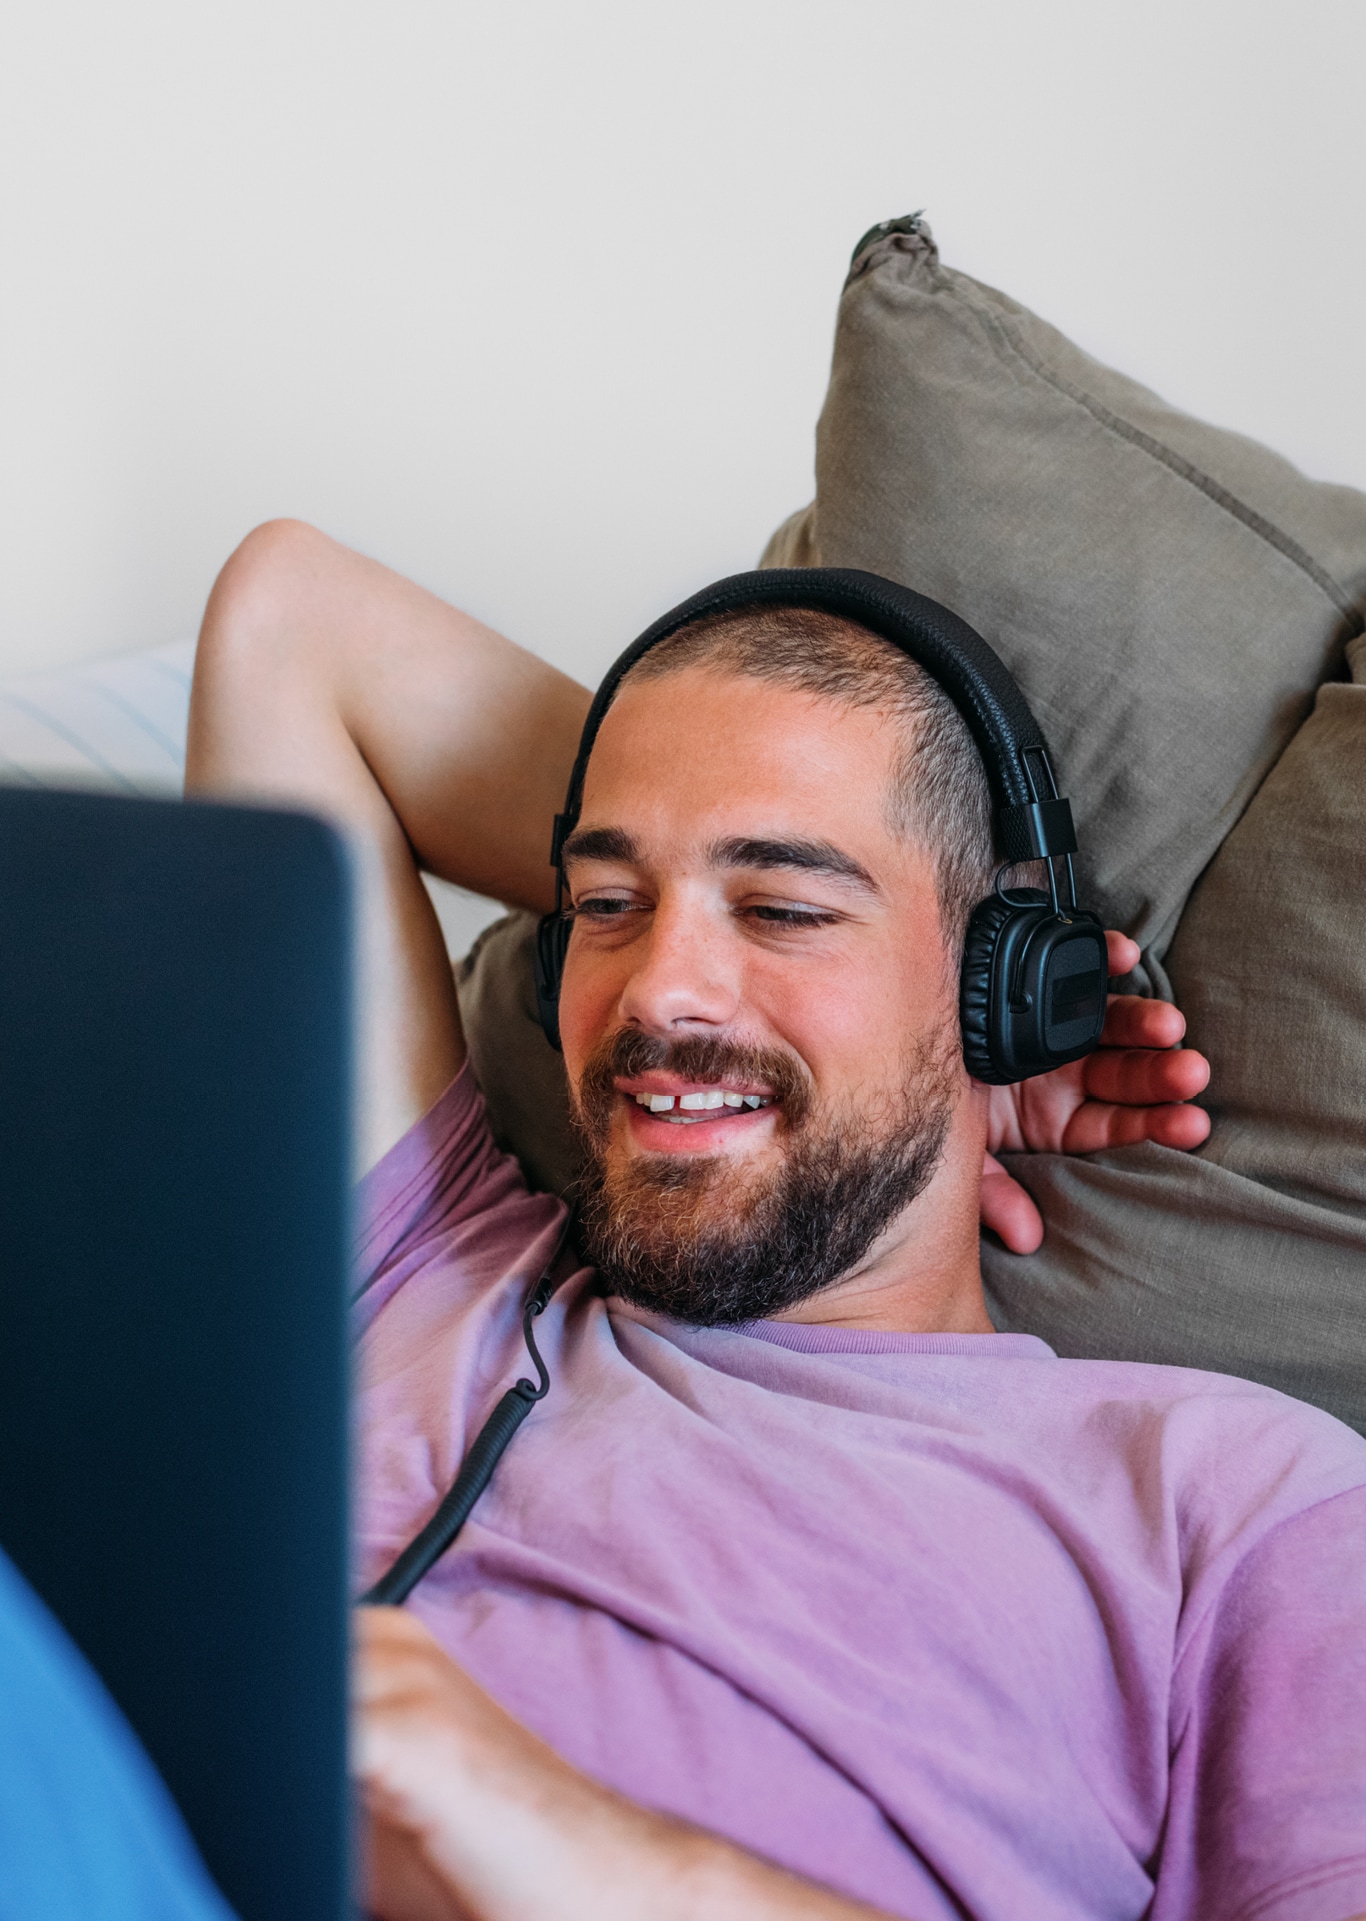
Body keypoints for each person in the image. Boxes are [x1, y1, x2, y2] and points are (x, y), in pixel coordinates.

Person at [189, 521, 1366, 1921]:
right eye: (605, 903)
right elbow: (291, 624)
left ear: (1002, 985)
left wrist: (566, 1844)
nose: (659, 994)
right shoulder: (422, 1269)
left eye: (784, 905)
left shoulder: (1230, 1503)